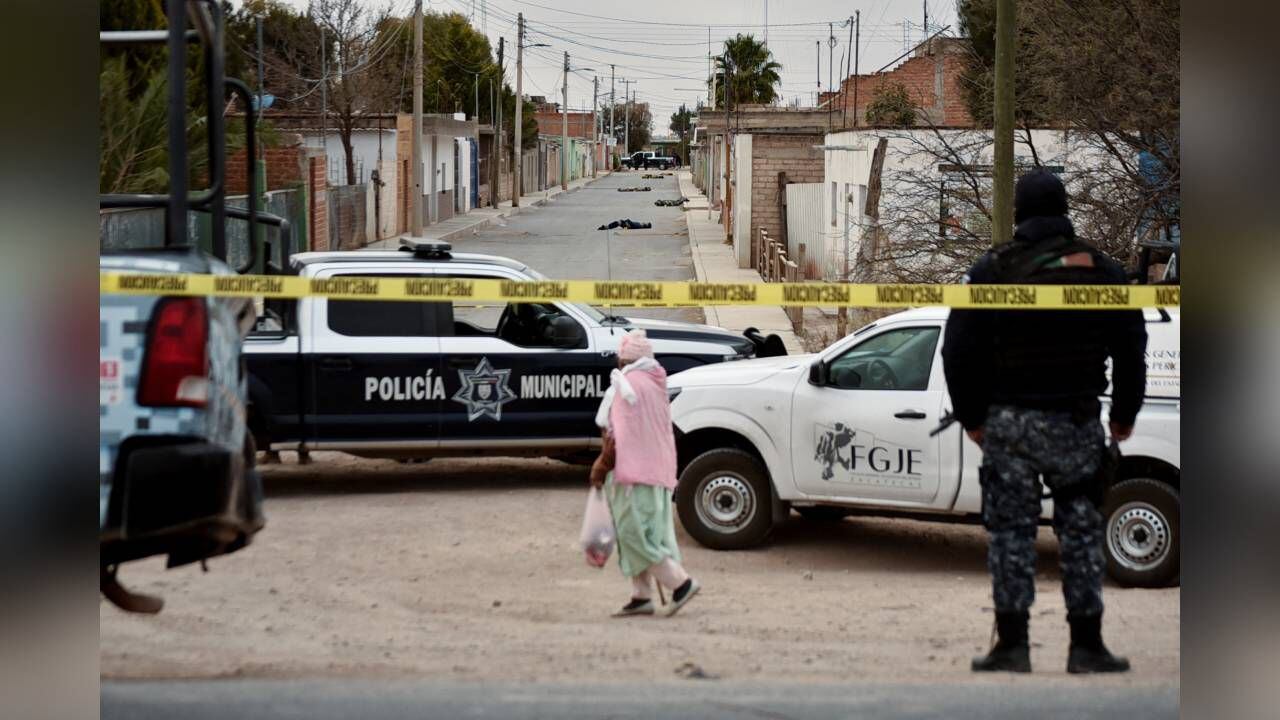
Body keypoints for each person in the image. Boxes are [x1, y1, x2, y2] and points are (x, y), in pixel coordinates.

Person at [941, 169, 1148, 674]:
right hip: (1076, 422)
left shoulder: (992, 270)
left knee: (1011, 533)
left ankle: (1012, 647)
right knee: (1079, 532)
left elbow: (957, 348)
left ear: (1019, 212)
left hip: (1010, 423)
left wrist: (971, 417)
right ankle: (1087, 647)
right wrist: (1124, 414)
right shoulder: (1103, 270)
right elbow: (1131, 345)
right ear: (1064, 209)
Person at [589, 329, 701, 618]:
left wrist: (600, 467)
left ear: (625, 359)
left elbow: (618, 436)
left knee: (634, 535)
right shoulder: (654, 384)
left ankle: (680, 584)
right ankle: (641, 596)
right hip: (657, 473)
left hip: (631, 476)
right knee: (646, 532)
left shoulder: (627, 385)